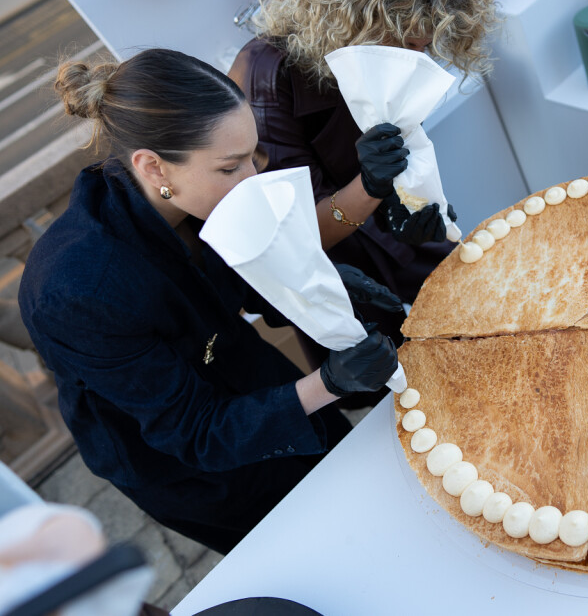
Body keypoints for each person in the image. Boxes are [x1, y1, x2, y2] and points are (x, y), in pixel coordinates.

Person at [19, 48, 401, 555]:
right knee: (314, 549)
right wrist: (329, 383)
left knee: (356, 486)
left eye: (252, 157)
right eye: (230, 166)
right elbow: (195, 431)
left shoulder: (189, 195)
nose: (250, 179)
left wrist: (321, 279)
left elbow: (247, 274)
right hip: (186, 462)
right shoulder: (79, 293)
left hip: (244, 367)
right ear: (153, 166)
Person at [229, 0, 499, 345]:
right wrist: (370, 187)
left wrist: (409, 202)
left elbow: (398, 154)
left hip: (399, 243)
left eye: (425, 46)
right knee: (390, 389)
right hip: (339, 275)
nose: (417, 60)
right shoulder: (265, 81)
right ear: (356, 20)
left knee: (481, 322)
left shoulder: (381, 51)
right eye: (407, 44)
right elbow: (293, 239)